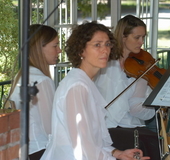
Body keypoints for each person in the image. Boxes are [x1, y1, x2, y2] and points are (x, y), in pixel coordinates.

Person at [41, 22, 150, 160]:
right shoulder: (77, 87)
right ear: (81, 50)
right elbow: (82, 147)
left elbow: (93, 140)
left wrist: (117, 153)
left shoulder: (86, 82)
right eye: (97, 45)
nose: (105, 50)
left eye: (107, 44)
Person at [94, 15, 163, 160]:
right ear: (123, 37)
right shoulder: (104, 64)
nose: (141, 42)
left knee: (155, 145)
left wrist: (157, 102)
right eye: (137, 37)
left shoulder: (143, 67)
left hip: (132, 129)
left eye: (143, 37)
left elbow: (140, 112)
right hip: (104, 129)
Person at [8, 24, 61, 160]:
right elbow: (51, 128)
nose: (59, 50)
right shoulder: (41, 81)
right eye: (55, 46)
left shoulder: (23, 75)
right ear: (39, 48)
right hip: (40, 150)